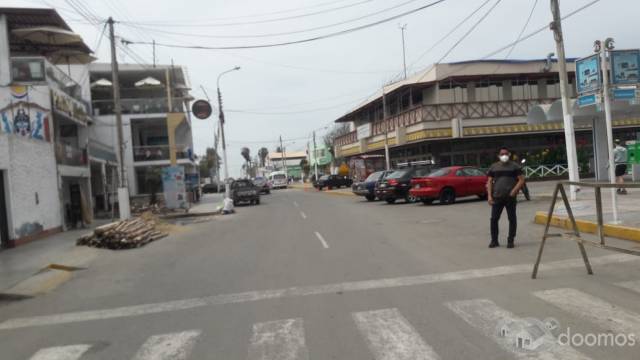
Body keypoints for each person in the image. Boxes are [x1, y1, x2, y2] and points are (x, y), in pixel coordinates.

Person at [487, 147, 525, 249]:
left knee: (512, 219)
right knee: (494, 219)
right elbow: (489, 182)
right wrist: (489, 196)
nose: (504, 156)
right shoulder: (493, 167)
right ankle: (494, 241)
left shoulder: (515, 166)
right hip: (497, 197)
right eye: (502, 154)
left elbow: (521, 180)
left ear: (509, 155)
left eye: (506, 154)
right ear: (498, 156)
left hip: (510, 197)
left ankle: (510, 240)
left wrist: (514, 191)